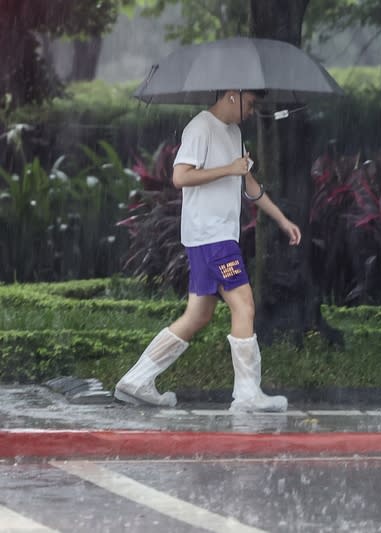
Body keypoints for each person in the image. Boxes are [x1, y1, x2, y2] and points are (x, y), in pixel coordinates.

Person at [114, 89, 301, 412]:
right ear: (232, 95)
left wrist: (282, 219)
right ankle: (247, 396)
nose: (251, 110)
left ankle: (137, 380)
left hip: (213, 237)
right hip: (211, 236)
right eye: (250, 103)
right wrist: (228, 169)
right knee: (244, 305)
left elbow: (249, 185)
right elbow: (180, 176)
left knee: (197, 315)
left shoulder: (234, 133)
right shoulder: (200, 128)